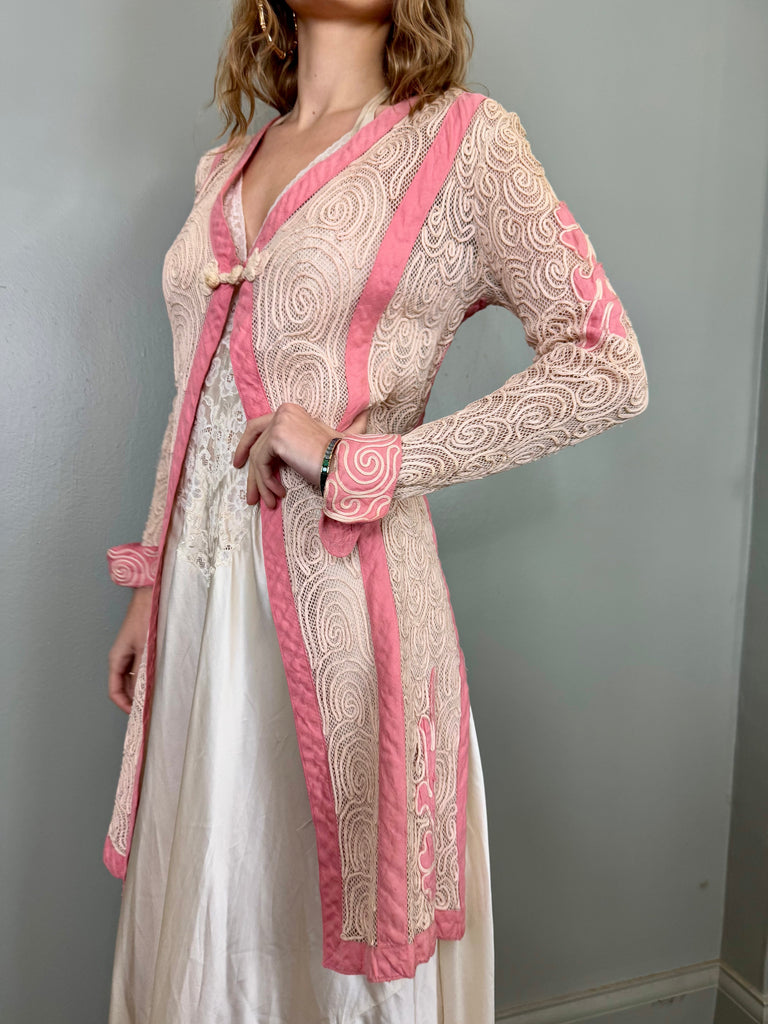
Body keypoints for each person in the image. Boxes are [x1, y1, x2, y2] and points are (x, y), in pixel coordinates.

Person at [104, 1, 649, 1020]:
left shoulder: (466, 142)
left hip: (346, 608)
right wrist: (150, 576)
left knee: (321, 923)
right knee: (212, 896)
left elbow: (606, 366)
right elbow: (197, 395)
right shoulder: (224, 167)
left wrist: (364, 461)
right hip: (199, 607)